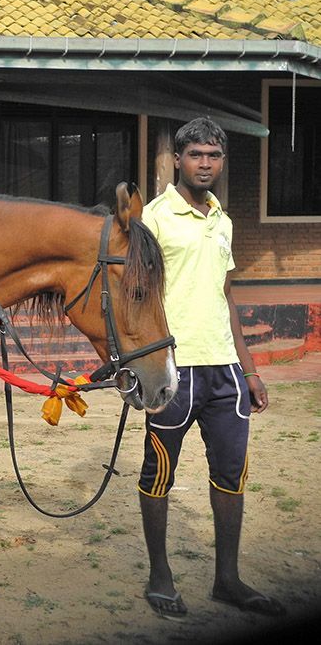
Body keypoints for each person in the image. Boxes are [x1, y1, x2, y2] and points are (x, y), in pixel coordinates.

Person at [138, 117, 285, 619]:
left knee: (231, 474)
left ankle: (228, 579)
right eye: (196, 154)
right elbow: (135, 296)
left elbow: (226, 294)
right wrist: (134, 364)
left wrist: (251, 370)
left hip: (224, 371)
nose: (205, 164)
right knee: (160, 472)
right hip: (173, 370)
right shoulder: (154, 218)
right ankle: (160, 576)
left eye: (214, 156)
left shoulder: (222, 218)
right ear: (177, 159)